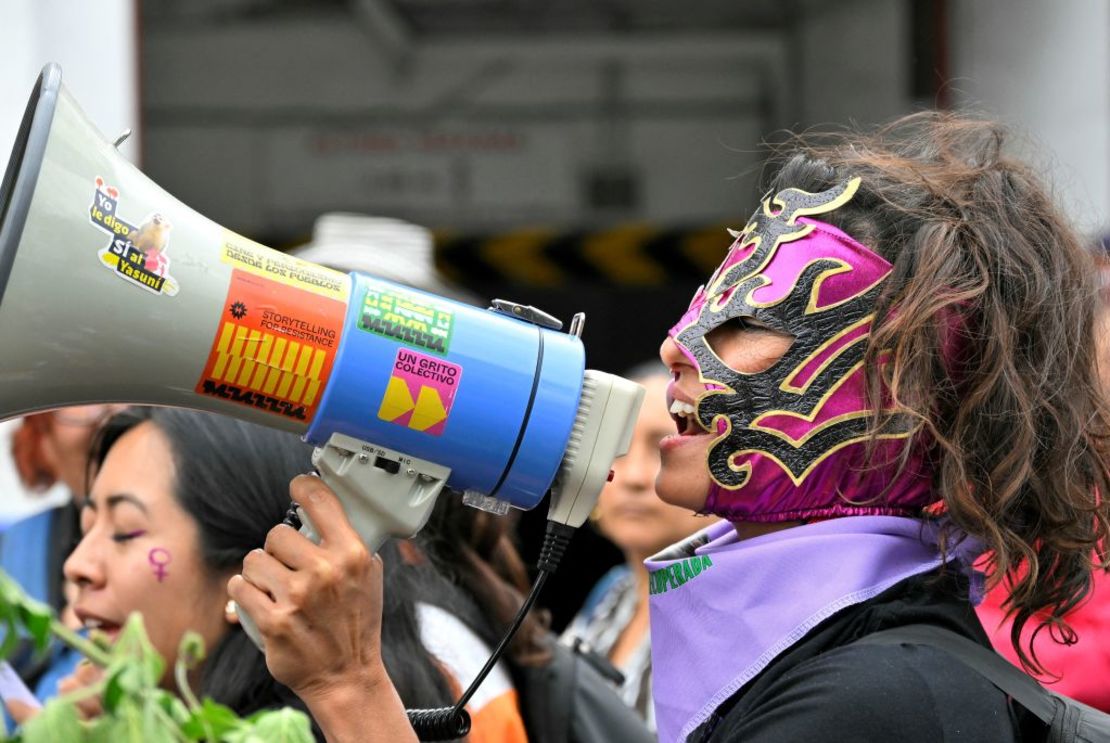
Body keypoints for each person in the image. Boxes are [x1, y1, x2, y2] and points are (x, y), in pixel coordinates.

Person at [230, 112, 1110, 742]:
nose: (678, 346)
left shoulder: (878, 699)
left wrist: (352, 691)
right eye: (700, 308)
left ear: (905, 390)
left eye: (745, 324)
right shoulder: (858, 659)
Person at [561, 364, 711, 730]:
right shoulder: (612, 592)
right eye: (619, 451)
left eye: (665, 450)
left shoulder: (732, 612)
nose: (635, 478)